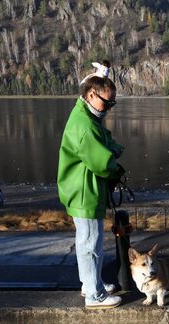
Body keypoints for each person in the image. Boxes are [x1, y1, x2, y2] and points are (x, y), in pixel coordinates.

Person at [57, 72, 125, 309]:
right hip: (84, 190)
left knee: (92, 243)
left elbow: (104, 138)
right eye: (106, 102)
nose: (109, 107)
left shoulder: (87, 114)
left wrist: (115, 148)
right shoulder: (84, 125)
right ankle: (94, 296)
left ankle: (91, 284)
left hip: (85, 187)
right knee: (89, 243)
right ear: (90, 94)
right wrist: (117, 168)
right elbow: (101, 162)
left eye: (112, 102)